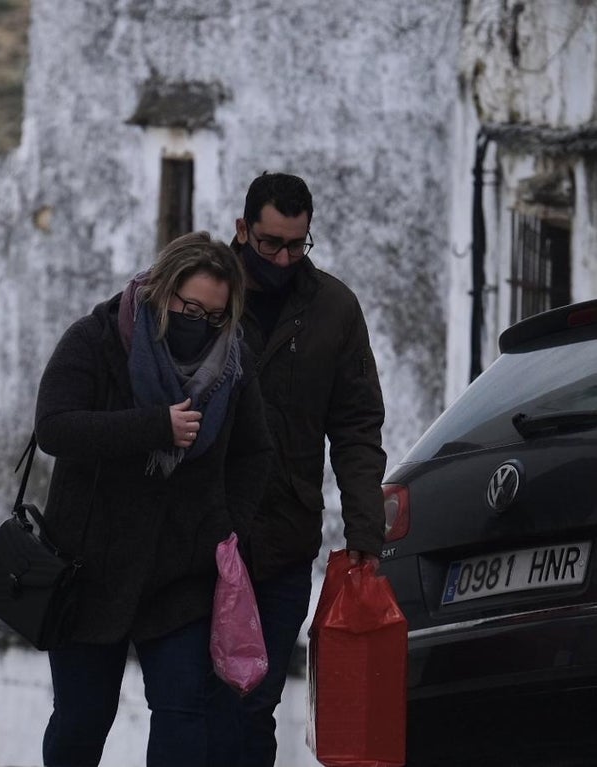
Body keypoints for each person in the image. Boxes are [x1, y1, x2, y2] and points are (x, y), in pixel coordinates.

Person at [34, 231, 274, 767]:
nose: (201, 324)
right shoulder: (97, 339)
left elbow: (254, 453)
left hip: (181, 574)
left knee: (183, 715)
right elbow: (55, 427)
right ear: (162, 291)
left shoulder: (233, 365)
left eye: (216, 316)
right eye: (191, 309)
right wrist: (154, 426)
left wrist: (225, 527)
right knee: (81, 717)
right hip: (90, 568)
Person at [212, 172, 387, 766]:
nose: (284, 259)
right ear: (242, 229)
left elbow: (357, 427)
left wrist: (365, 531)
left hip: (283, 546)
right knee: (197, 708)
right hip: (202, 544)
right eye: (270, 244)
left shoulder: (335, 309)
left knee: (254, 706)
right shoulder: (202, 294)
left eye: (296, 245)